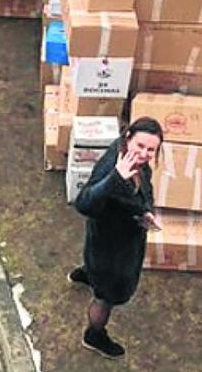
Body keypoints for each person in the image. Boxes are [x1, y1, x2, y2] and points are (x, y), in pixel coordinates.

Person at [69, 118, 164, 359]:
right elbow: (84, 203)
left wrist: (147, 212)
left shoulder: (135, 159)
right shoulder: (113, 166)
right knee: (107, 296)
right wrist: (116, 177)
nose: (144, 154)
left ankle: (86, 274)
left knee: (95, 268)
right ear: (128, 136)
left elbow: (146, 188)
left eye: (151, 149)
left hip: (116, 233)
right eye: (140, 145)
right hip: (111, 246)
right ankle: (94, 335)